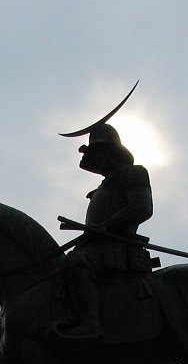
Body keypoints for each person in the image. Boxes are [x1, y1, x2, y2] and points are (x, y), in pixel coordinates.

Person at [57, 123, 154, 339]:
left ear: (112, 153)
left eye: (100, 154)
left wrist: (107, 226)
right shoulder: (100, 190)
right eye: (94, 157)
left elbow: (142, 208)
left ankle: (90, 324)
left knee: (76, 265)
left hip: (117, 246)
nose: (97, 161)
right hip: (94, 245)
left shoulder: (133, 173)